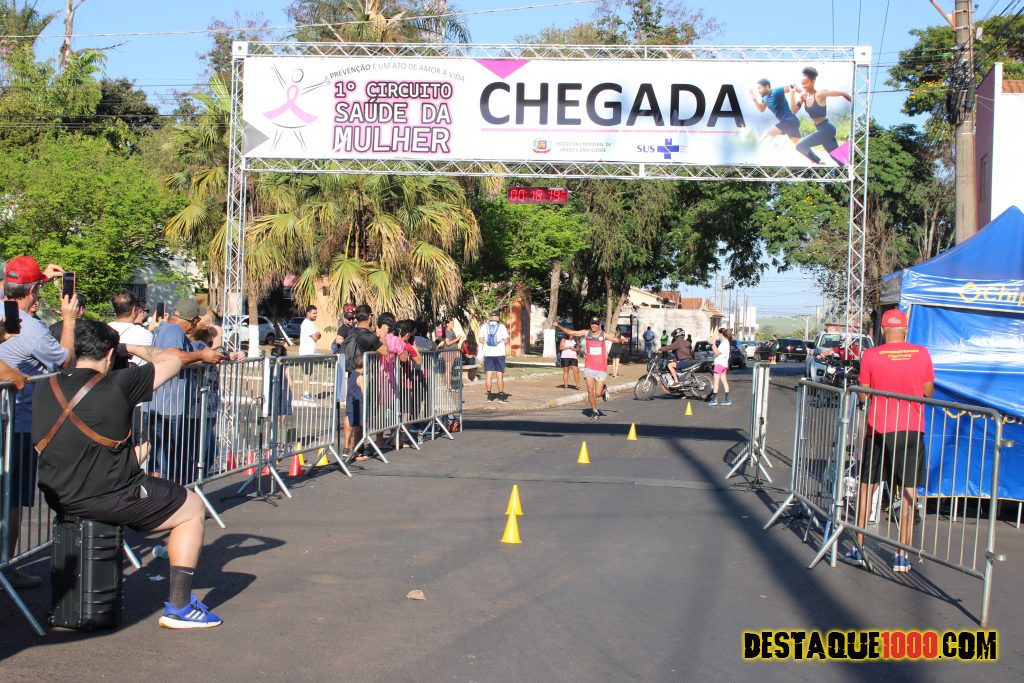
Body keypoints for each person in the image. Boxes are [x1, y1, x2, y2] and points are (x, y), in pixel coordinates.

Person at [32, 320, 226, 628]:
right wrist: (131, 348)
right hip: (109, 496)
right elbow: (172, 359)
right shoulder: (119, 384)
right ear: (110, 355)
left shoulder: (45, 385)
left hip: (58, 494)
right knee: (192, 508)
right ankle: (180, 606)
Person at [0, 256, 75, 588]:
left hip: (9, 419)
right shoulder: (30, 328)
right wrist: (68, 320)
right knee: (13, 497)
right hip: (15, 424)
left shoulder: (6, 311)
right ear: (32, 291)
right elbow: (65, 360)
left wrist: (37, 278)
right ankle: (6, 566)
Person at [844, 309, 934, 573]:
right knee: (908, 491)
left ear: (882, 330)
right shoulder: (922, 354)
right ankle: (902, 556)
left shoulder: (871, 355)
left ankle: (858, 547)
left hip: (879, 428)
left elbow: (863, 395)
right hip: (911, 429)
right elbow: (928, 392)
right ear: (905, 330)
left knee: (867, 488)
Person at [552, 316, 627, 420]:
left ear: (599, 325)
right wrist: (558, 326)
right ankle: (595, 411)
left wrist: (622, 340)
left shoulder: (603, 335)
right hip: (589, 367)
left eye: (596, 324)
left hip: (601, 368)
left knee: (598, 393)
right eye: (592, 323)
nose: (594, 325)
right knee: (590, 391)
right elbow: (571, 332)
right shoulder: (586, 333)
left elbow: (614, 339)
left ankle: (603, 389)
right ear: (590, 324)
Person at [792, 66, 851, 164]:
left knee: (800, 146)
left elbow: (842, 93)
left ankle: (819, 161)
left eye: (805, 83)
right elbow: (794, 110)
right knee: (840, 161)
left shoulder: (820, 94)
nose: (803, 86)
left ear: (813, 81)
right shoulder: (803, 96)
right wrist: (792, 93)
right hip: (821, 130)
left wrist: (854, 108)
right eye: (802, 84)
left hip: (827, 129)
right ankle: (849, 151)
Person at [749, 78, 802, 150]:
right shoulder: (764, 98)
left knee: (768, 133)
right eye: (757, 89)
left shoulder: (776, 91)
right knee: (800, 147)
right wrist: (754, 99)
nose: (758, 91)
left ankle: (754, 148)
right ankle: (815, 159)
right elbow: (761, 109)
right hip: (790, 123)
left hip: (789, 121)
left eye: (760, 88)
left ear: (767, 86)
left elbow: (793, 86)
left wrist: (803, 93)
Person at [478, 310, 510, 403]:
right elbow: (506, 340)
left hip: (488, 354)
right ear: (498, 317)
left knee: (488, 375)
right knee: (499, 375)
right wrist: (499, 342)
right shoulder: (502, 326)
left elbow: (480, 340)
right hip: (499, 354)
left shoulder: (484, 326)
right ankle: (501, 397)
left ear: (491, 317)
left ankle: (489, 396)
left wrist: (487, 342)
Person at [299, 305, 321, 400]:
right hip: (306, 353)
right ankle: (305, 394)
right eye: (313, 313)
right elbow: (316, 337)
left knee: (309, 373)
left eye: (316, 313)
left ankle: (307, 392)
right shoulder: (307, 323)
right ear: (308, 313)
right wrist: (317, 334)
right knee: (306, 373)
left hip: (310, 353)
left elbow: (319, 334)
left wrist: (317, 334)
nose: (315, 315)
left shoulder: (312, 324)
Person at [346, 353, 365, 460]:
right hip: (358, 406)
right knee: (356, 431)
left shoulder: (352, 374)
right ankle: (353, 451)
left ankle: (353, 450)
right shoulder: (360, 377)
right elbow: (364, 392)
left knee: (355, 430)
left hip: (351, 404)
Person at [707, 328, 733, 406]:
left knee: (716, 381)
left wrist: (712, 344)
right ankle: (727, 399)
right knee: (724, 381)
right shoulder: (726, 342)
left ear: (721, 334)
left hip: (719, 364)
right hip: (724, 364)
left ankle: (714, 400)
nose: (718, 336)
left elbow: (716, 352)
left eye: (718, 334)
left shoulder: (724, 343)